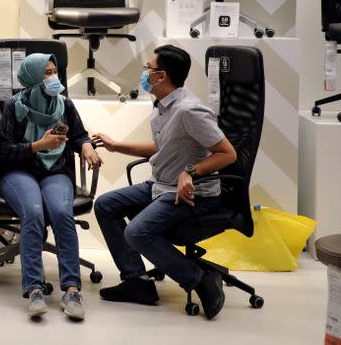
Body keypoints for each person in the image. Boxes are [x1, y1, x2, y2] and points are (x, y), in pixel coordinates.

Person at [92, 44, 237, 320]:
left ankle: (199, 279)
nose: (144, 73)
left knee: (136, 232)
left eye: (148, 68)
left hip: (194, 194)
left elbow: (228, 154)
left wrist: (190, 172)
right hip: (161, 185)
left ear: (162, 76)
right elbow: (161, 148)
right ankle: (136, 281)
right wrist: (116, 146)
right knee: (105, 205)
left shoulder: (189, 111)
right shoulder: (162, 106)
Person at [0, 53, 102, 321]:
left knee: (61, 211)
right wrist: (37, 146)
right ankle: (34, 290)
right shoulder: (13, 108)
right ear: (31, 77)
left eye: (54, 72)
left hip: (55, 171)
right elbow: (3, 151)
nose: (53, 77)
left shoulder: (64, 104)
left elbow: (79, 135)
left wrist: (86, 145)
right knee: (32, 212)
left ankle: (72, 289)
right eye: (46, 73)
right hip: (18, 172)